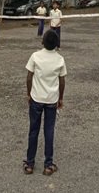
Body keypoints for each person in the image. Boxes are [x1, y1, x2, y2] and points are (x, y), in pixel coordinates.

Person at [23, 29, 66, 176]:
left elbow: (29, 77)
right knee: (49, 131)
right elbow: (62, 81)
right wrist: (61, 98)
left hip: (36, 98)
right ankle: (48, 165)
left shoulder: (35, 56)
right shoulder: (60, 59)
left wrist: (29, 94)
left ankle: (29, 164)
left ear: (42, 42)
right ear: (57, 44)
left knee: (33, 130)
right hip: (51, 100)